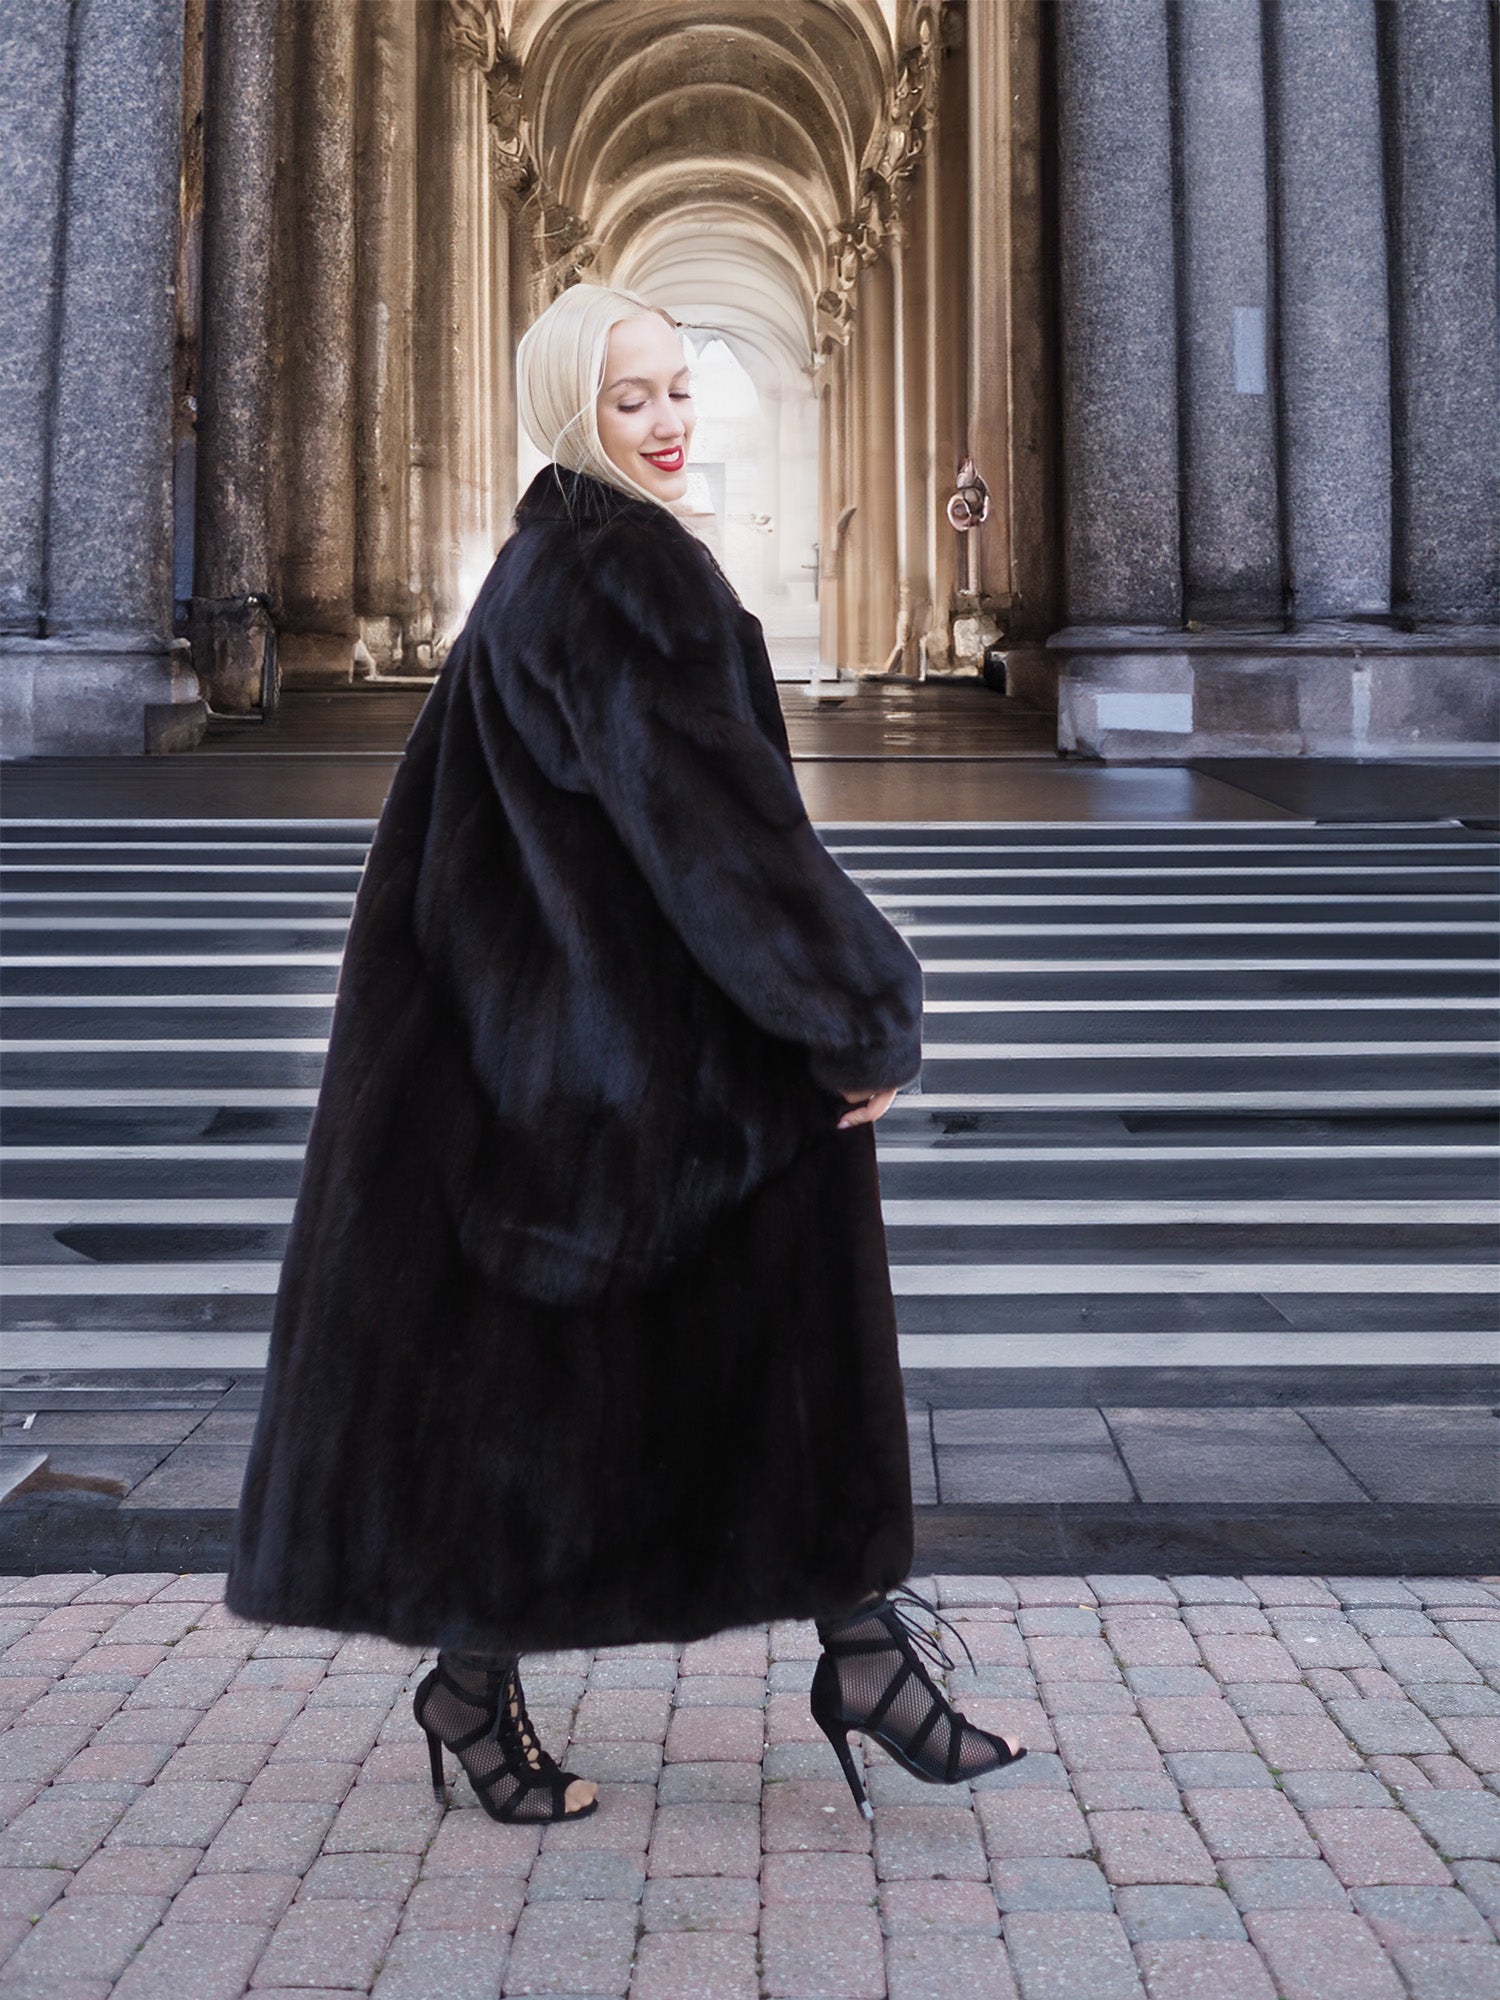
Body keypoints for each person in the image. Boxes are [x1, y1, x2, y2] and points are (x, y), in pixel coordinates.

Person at [225, 281, 1024, 1824]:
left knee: (613, 1379)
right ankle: (784, 1656)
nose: (667, 421)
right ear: (568, 414)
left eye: (674, 388)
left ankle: (835, 1652)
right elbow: (723, 838)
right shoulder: (617, 581)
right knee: (686, 1340)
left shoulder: (550, 563)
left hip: (578, 1055)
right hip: (626, 1067)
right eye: (629, 398)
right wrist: (863, 1006)